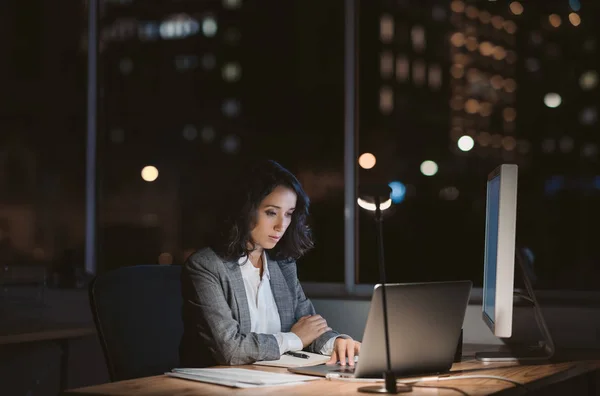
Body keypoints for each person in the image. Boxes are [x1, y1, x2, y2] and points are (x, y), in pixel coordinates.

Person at [179, 159, 360, 368]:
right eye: (271, 212)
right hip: (213, 382)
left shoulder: (283, 264)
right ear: (245, 210)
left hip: (272, 379)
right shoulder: (206, 266)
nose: (281, 225)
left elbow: (309, 327)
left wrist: (337, 343)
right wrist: (293, 339)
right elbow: (229, 349)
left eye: (289, 214)